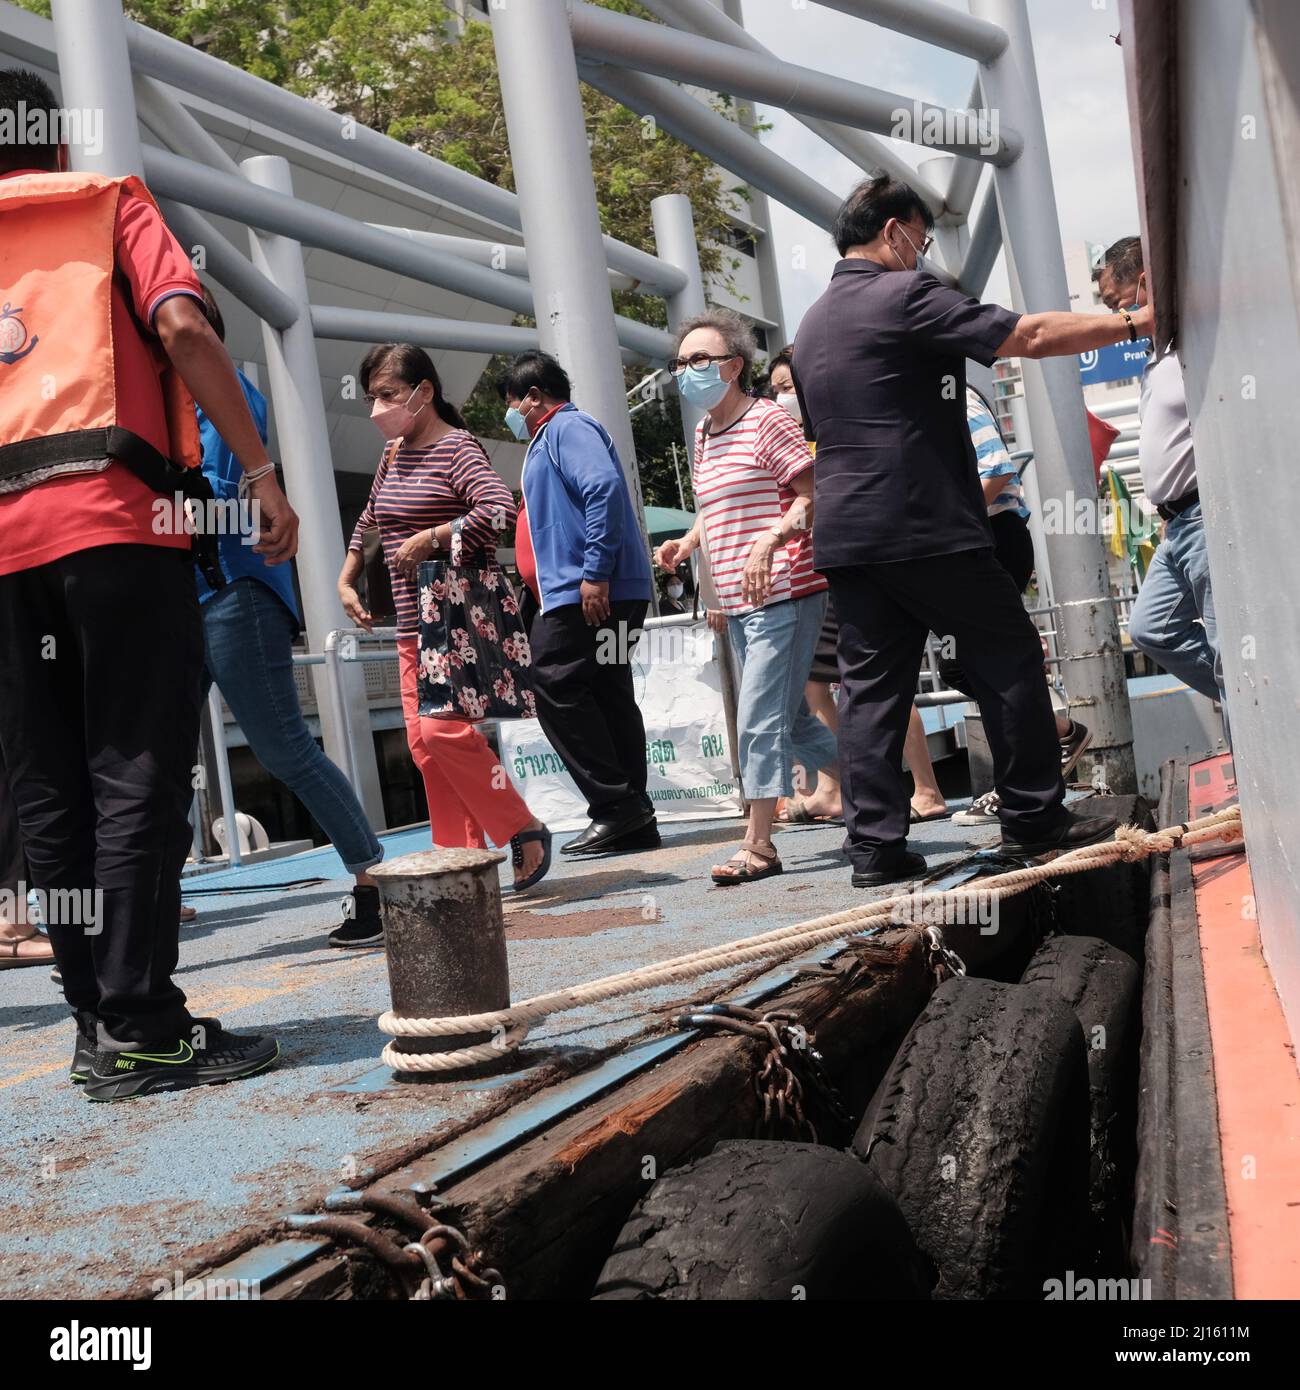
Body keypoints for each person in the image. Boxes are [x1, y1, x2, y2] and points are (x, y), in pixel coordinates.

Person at [0, 68, 297, 1097]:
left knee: (48, 785)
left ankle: (95, 1019)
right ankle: (145, 1025)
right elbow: (181, 328)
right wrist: (259, 473)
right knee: (133, 768)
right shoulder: (107, 205)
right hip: (117, 525)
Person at [792, 174, 1149, 885]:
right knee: (1008, 656)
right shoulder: (903, 294)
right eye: (921, 242)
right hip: (924, 522)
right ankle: (1035, 819)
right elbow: (1031, 334)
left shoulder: (810, 326)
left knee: (871, 692)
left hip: (848, 533)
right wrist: (1141, 324)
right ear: (894, 233)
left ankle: (874, 851)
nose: (922, 255)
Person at [194, 287, 386, 945]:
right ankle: (144, 909)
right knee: (153, 760)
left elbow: (216, 504)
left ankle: (373, 883)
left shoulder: (226, 395)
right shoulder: (164, 401)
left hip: (234, 593)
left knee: (282, 747)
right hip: (180, 599)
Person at [339, 344, 551, 891]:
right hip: (411, 624)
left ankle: (521, 826)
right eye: (371, 398)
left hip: (454, 618)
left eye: (387, 394)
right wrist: (348, 573)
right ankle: (461, 862)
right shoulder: (391, 455)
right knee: (422, 745)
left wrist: (433, 536)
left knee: (441, 732)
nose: (377, 408)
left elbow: (498, 508)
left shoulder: (456, 448)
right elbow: (369, 519)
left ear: (423, 391)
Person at [657, 312, 840, 884]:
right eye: (682, 363)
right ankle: (878, 787)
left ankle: (758, 844)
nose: (688, 372)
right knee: (791, 720)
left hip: (785, 589)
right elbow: (714, 512)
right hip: (737, 597)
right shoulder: (704, 434)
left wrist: (772, 538)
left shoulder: (767, 422)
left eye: (700, 361)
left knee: (759, 720)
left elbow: (814, 497)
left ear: (735, 367)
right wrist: (687, 543)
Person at [501, 351, 658, 856]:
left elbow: (603, 488)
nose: (510, 415)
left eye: (511, 403)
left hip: (586, 596)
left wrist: (593, 573)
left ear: (533, 397)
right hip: (609, 593)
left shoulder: (565, 429)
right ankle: (633, 812)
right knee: (609, 688)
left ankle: (615, 806)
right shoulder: (555, 436)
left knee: (554, 681)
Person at [1097, 237, 1228, 742]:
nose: (1119, 316)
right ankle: (1240, 692)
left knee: (1225, 644)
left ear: (1147, 282)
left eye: (1121, 299)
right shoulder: (1158, 353)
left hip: (1202, 513)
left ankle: (1266, 791)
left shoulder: (1194, 340)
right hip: (1175, 524)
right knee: (1152, 629)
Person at [947, 386, 1093, 825]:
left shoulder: (956, 397)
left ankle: (1021, 782)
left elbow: (994, 468)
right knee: (966, 665)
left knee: (987, 664)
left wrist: (951, 523)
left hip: (991, 538)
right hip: (971, 542)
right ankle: (1054, 739)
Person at [768, 345, 843, 825]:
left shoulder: (830, 435)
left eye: (787, 388)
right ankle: (836, 788)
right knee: (816, 688)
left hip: (837, 572)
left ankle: (922, 788)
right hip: (810, 578)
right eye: (774, 389)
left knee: (866, 684)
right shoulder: (791, 440)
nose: (780, 399)